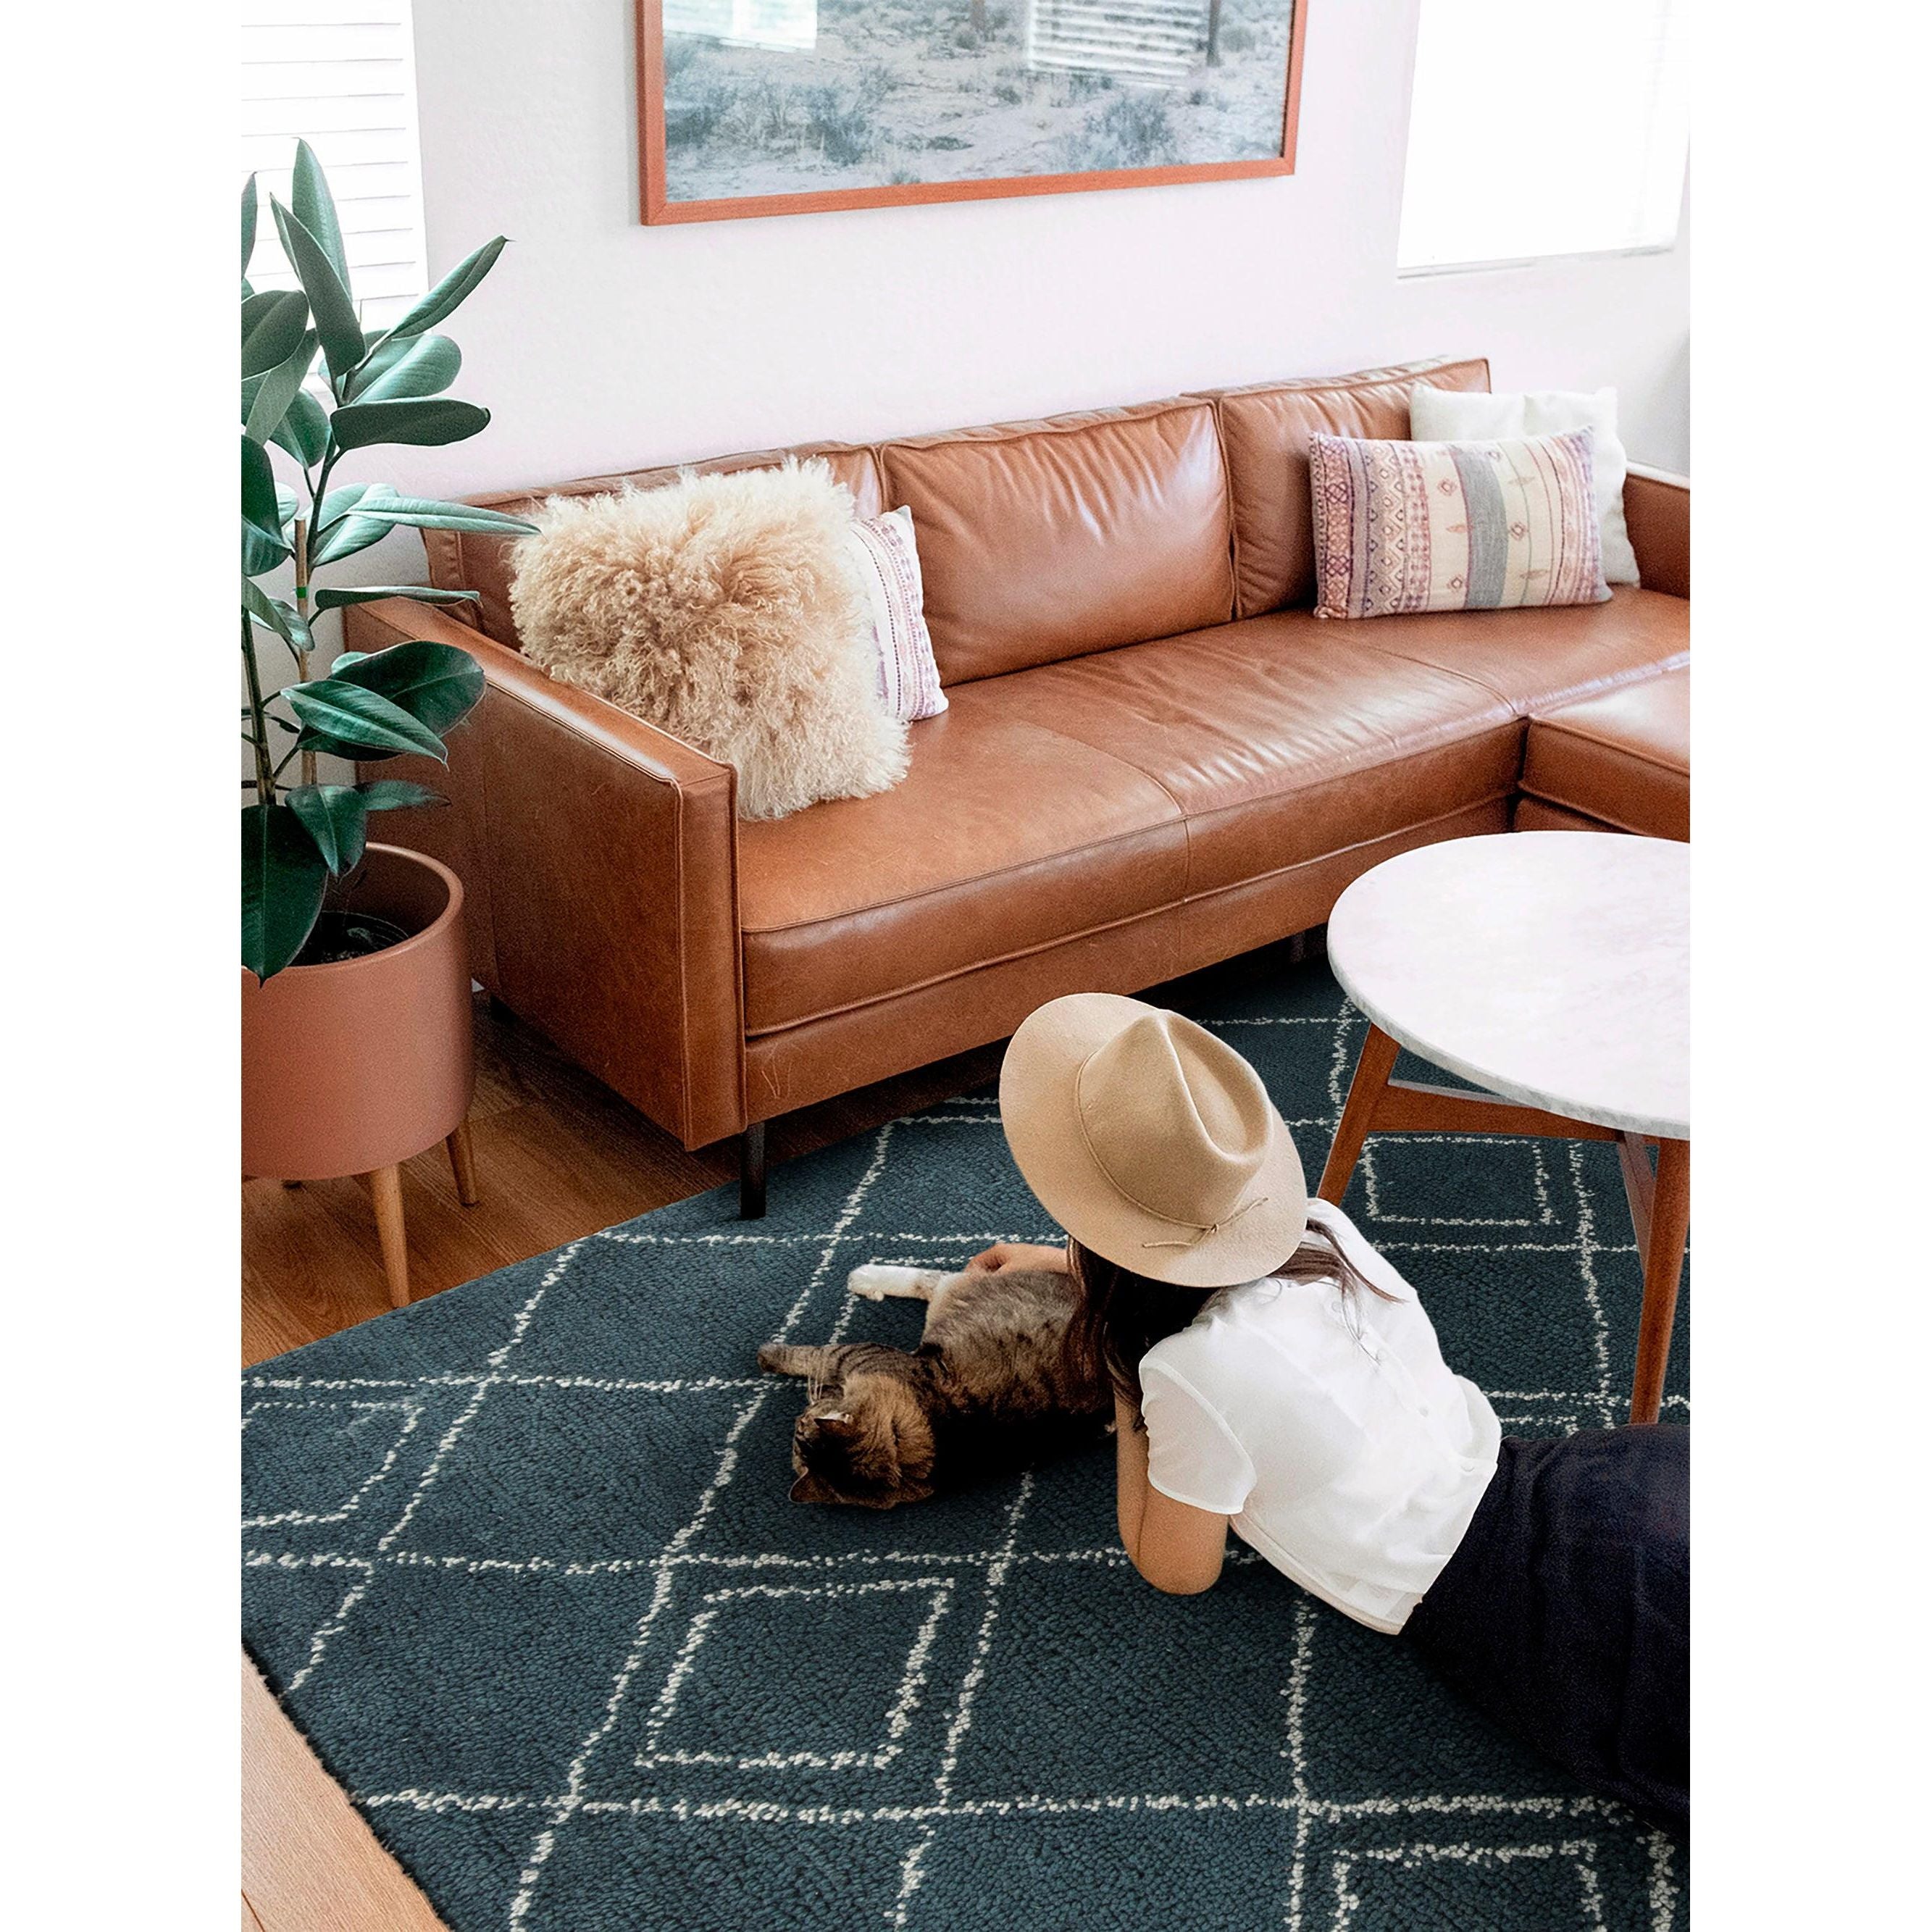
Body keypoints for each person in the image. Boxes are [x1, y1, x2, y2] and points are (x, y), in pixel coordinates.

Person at [972, 992, 1688, 1835]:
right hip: (1582, 1486)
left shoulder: (1187, 1371)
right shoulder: (1323, 1232)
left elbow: (1176, 1568)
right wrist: (1080, 1270)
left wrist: (1127, 1369)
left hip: (1516, 1598)